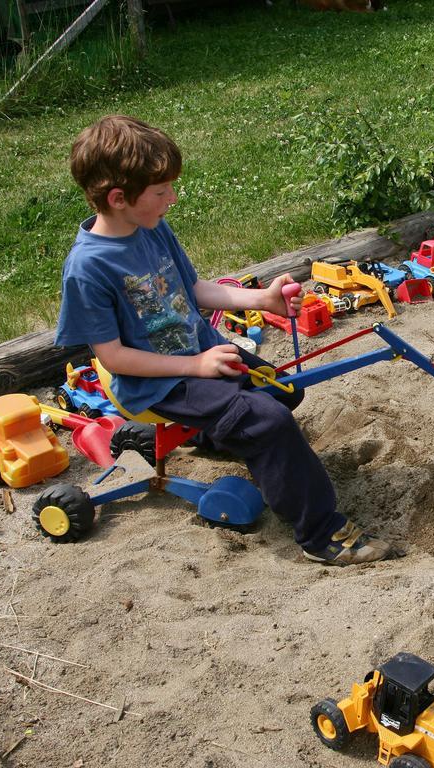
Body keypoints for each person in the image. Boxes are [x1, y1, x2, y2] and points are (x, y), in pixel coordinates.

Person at [56, 114, 394, 565]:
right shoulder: (88, 268)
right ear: (118, 198)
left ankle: (210, 435)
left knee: (284, 390)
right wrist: (194, 367)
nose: (172, 199)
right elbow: (115, 358)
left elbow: (195, 290)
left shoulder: (151, 228)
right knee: (268, 423)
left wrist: (265, 299)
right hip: (158, 382)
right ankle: (321, 534)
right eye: (161, 192)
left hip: (199, 356)